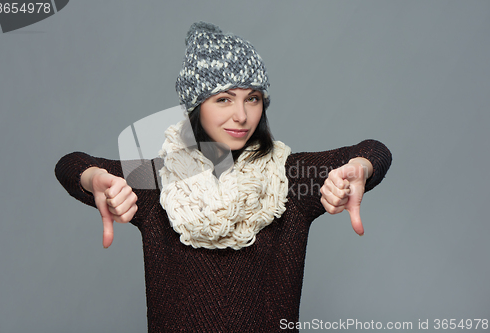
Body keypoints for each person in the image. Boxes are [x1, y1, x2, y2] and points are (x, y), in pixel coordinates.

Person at [55, 21, 392, 332]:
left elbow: (373, 150)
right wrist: (95, 178)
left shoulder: (290, 178)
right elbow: (71, 164)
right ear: (196, 107)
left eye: (253, 99)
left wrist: (359, 168)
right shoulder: (158, 180)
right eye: (223, 99)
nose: (242, 115)